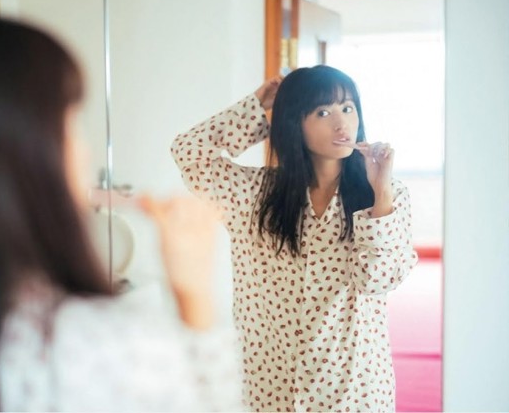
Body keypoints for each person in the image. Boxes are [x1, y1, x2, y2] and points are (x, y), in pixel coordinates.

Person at [0, 14, 240, 413]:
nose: (84, 150)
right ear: (15, 153)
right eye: (70, 124)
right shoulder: (100, 345)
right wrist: (193, 295)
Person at [171, 65, 418, 413]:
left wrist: (381, 195)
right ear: (293, 123)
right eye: (323, 112)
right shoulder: (253, 194)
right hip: (271, 386)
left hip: (352, 389)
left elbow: (377, 280)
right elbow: (189, 153)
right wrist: (257, 105)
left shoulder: (386, 195)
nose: (342, 123)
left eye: (348, 108)